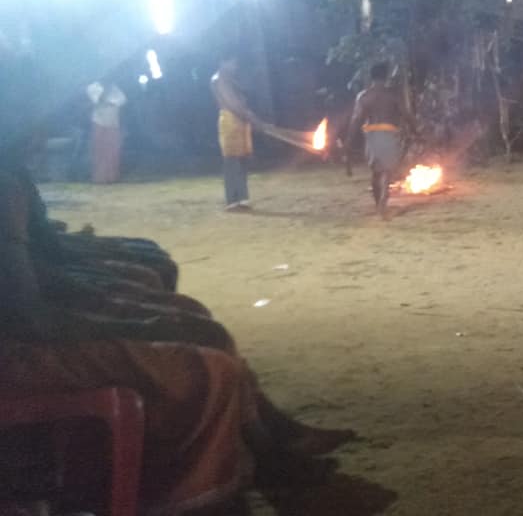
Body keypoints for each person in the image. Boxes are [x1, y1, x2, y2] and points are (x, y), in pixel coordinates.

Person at [0, 79, 353, 514]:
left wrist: (112, 283)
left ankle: (273, 450)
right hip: (17, 356)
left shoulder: (11, 176)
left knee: (191, 322)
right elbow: (33, 319)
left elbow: (45, 263)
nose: (47, 128)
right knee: (207, 366)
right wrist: (131, 325)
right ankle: (224, 489)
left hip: (30, 329)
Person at [347, 62, 413, 218]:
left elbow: (356, 120)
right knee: (387, 171)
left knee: (376, 171)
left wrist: (349, 140)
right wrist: (416, 130)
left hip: (371, 134)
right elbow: (406, 114)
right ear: (386, 76)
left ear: (371, 77)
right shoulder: (393, 94)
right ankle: (383, 201)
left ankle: (378, 204)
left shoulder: (363, 96)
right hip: (389, 132)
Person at [211, 52, 260, 211]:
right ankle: (233, 200)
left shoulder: (229, 79)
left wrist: (248, 116)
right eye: (232, 62)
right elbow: (232, 103)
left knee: (242, 159)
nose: (235, 66)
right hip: (230, 121)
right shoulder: (219, 79)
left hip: (240, 120)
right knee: (232, 160)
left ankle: (243, 198)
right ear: (222, 62)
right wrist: (249, 116)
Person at [86, 79, 126, 184]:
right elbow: (95, 100)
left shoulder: (114, 87)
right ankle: (100, 178)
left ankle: (112, 178)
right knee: (100, 151)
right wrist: (104, 95)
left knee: (112, 151)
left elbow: (123, 100)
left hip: (113, 123)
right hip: (99, 122)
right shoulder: (93, 86)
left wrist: (109, 100)